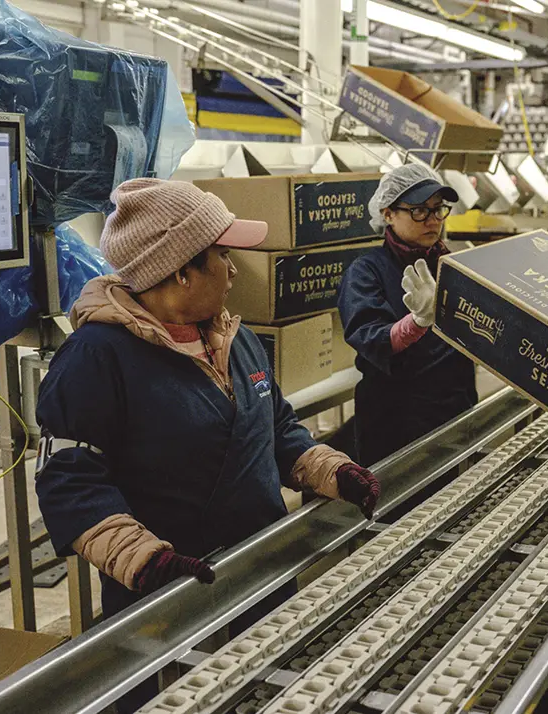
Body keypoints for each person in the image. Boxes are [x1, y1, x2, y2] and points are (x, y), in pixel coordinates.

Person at [34, 179, 380, 709]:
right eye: (222, 254)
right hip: (162, 595)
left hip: (258, 569)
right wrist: (146, 561)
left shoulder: (231, 335)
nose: (234, 268)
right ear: (180, 270)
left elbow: (276, 425)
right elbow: (68, 479)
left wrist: (332, 470)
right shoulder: (96, 357)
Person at [338, 164, 477, 467]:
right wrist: (415, 323)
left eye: (438, 209)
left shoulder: (452, 264)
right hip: (396, 419)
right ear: (388, 213)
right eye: (419, 211)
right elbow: (370, 338)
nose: (433, 220)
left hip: (455, 407)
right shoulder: (366, 271)